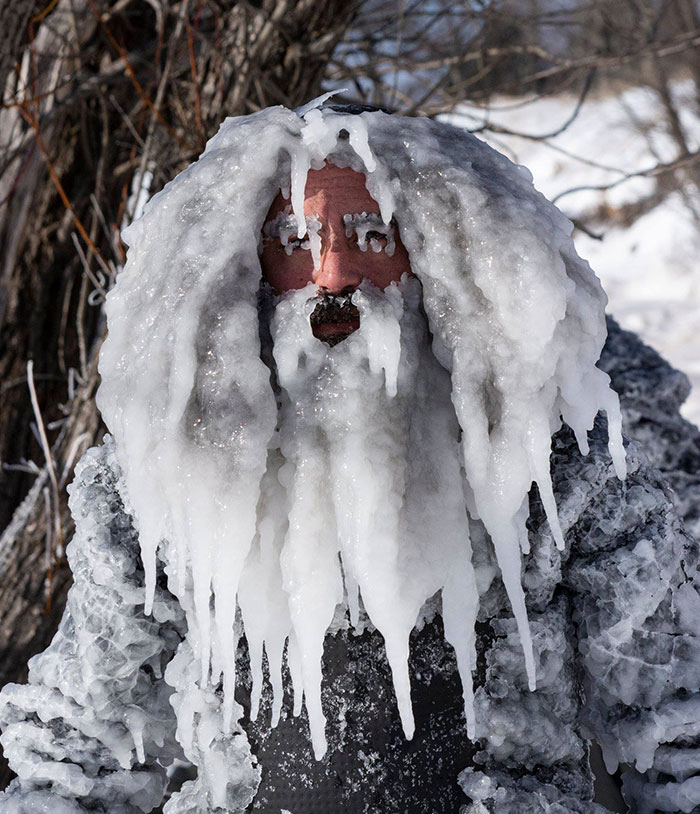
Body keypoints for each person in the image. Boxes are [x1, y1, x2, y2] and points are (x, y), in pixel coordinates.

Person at [0, 101, 699, 814]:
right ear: (245, 265)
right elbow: (83, 739)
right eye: (293, 239)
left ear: (439, 255)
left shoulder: (557, 465)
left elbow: (676, 719)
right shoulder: (159, 480)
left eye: (370, 235)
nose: (332, 274)